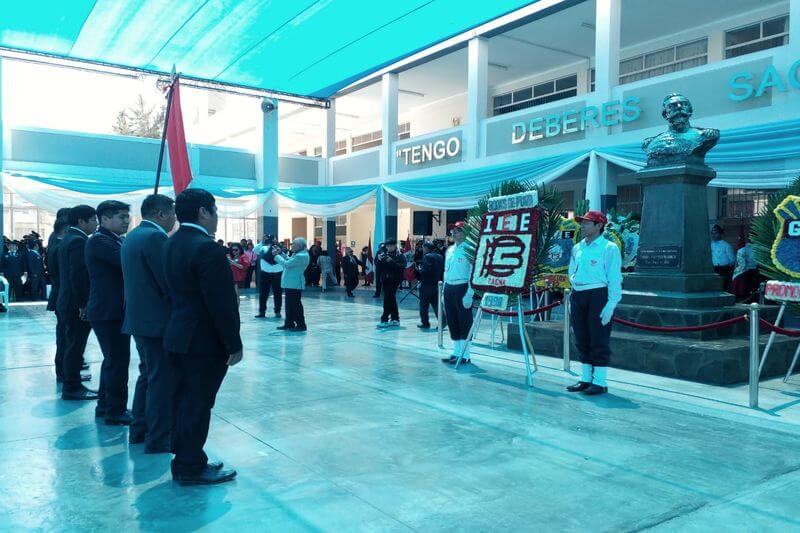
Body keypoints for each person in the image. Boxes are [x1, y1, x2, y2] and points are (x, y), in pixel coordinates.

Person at [162, 188, 241, 485]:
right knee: (198, 403)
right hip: (203, 342)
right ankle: (190, 466)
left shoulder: (171, 243)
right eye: (215, 211)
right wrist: (233, 343)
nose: (217, 218)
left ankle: (188, 458)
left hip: (178, 334)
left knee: (183, 401)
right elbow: (220, 303)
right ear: (204, 212)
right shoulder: (206, 248)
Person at [121, 194, 176, 453]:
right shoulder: (155, 238)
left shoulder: (132, 236)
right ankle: (159, 438)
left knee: (148, 376)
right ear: (161, 214)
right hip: (157, 321)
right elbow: (167, 281)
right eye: (172, 214)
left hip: (140, 319)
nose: (175, 219)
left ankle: (140, 428)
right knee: (161, 380)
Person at [566, 210, 622, 396]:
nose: (582, 226)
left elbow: (614, 277)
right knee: (581, 337)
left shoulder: (609, 248)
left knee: (598, 338)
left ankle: (599, 381)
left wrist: (611, 303)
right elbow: (572, 269)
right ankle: (585, 378)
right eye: (582, 222)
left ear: (599, 226)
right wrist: (574, 284)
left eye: (587, 223)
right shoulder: (578, 247)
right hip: (579, 293)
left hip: (598, 293)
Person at [86, 200, 132, 425]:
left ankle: (105, 405)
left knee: (112, 360)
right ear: (104, 219)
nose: (127, 221)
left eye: (127, 216)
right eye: (121, 217)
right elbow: (127, 261)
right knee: (118, 361)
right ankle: (116, 411)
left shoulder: (113, 240)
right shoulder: (100, 241)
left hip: (112, 310)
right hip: (108, 311)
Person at [57, 205, 99, 401]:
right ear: (81, 221)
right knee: (75, 346)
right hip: (75, 303)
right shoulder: (78, 241)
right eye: (93, 220)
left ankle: (72, 383)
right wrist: (83, 304)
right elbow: (78, 276)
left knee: (72, 345)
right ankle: (72, 387)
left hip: (67, 300)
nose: (96, 224)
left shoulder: (68, 238)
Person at [441, 222, 475, 364]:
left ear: (465, 233)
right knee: (452, 320)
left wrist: (470, 293)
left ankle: (465, 354)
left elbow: (473, 273)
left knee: (464, 321)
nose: (454, 233)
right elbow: (446, 271)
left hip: (462, 287)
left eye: (458, 230)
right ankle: (456, 352)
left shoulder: (470, 250)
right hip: (449, 287)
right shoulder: (449, 250)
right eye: (453, 230)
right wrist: (443, 291)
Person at [47, 217, 71, 383]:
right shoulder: (60, 246)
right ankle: (65, 373)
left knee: (64, 336)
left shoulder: (54, 243)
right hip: (63, 296)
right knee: (65, 337)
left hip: (59, 295)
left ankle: (66, 371)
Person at [274, 238, 310, 332]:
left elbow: (286, 264)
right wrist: (281, 253)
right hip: (291, 284)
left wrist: (276, 256)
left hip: (295, 284)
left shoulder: (301, 256)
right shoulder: (298, 254)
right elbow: (289, 260)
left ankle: (301, 325)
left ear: (299, 246)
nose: (292, 246)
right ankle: (289, 323)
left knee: (295, 306)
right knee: (289, 305)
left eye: (293, 244)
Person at [376, 238, 406, 328]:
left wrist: (391, 262)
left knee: (387, 299)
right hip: (385, 280)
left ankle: (384, 319)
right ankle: (395, 319)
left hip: (394, 280)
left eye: (390, 246)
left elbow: (402, 268)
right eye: (387, 246)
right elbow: (379, 268)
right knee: (391, 299)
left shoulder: (400, 255)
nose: (388, 248)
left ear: (394, 245)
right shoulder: (384, 254)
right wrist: (379, 260)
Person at [254, 235, 283, 318]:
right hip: (265, 274)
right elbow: (255, 250)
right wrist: (262, 242)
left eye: (273, 238)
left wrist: (277, 246)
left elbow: (284, 257)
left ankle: (278, 311)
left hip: (277, 274)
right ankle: (262, 312)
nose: (271, 240)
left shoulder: (280, 248)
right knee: (263, 294)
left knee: (278, 293)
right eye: (269, 238)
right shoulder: (263, 248)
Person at [418, 241, 444, 329]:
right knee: (436, 305)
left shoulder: (427, 257)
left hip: (426, 284)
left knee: (423, 305)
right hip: (437, 284)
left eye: (423, 248)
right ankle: (442, 321)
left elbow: (425, 271)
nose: (422, 249)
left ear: (427, 248)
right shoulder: (440, 256)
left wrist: (419, 270)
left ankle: (425, 323)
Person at [710, 224, 735, 292]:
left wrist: (728, 269)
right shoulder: (709, 245)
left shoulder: (726, 245)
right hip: (713, 269)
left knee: (723, 288)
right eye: (712, 233)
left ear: (720, 234)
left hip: (724, 270)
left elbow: (732, 260)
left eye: (716, 233)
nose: (713, 235)